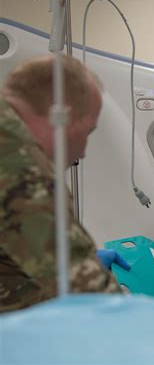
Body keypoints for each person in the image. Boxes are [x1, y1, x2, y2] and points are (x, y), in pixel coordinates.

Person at [0, 55, 123, 313]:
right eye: (88, 131)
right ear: (63, 118)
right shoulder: (23, 168)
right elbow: (89, 297)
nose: (84, 151)